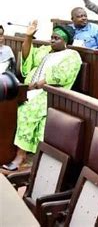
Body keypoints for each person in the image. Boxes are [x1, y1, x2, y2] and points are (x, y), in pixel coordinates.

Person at [2, 21, 81, 171]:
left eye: (56, 38)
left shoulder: (72, 56)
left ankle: (21, 155)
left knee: (26, 110)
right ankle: (5, 151)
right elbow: (27, 58)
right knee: (7, 105)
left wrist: (36, 85)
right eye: (51, 37)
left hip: (51, 94)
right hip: (31, 90)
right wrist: (28, 37)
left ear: (65, 41)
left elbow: (61, 78)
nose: (52, 40)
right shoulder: (46, 50)